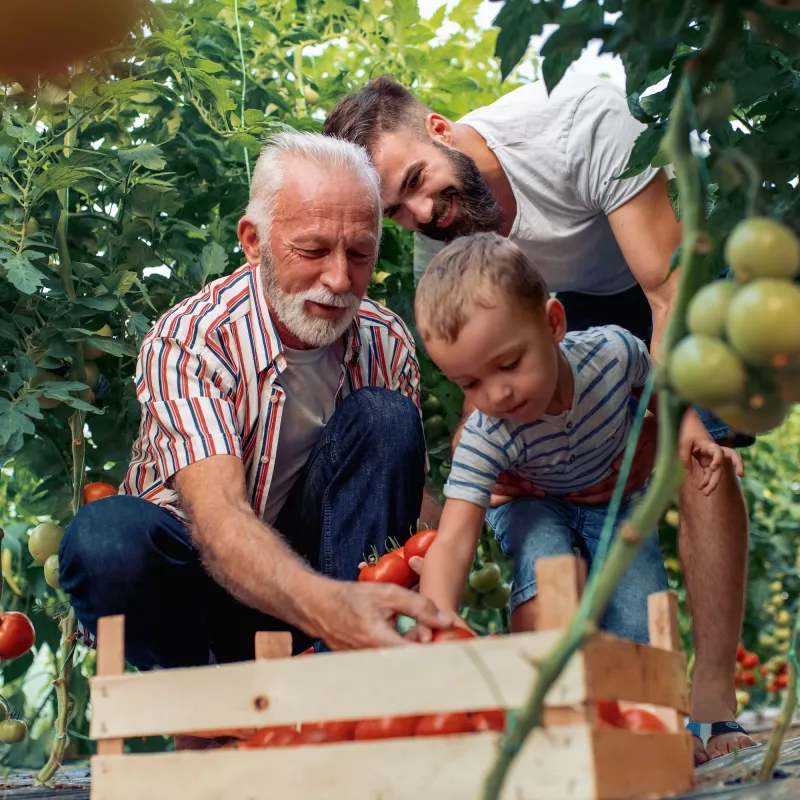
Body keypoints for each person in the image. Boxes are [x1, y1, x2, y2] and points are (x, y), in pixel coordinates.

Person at [323, 75, 754, 761]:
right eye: (396, 212)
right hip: (549, 313)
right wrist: (478, 487)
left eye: (416, 181)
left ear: (439, 128)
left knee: (702, 456)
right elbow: (480, 379)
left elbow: (666, 298)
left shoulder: (581, 124)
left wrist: (669, 431)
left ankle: (714, 703)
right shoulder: (446, 240)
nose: (422, 212)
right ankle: (597, 716)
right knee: (532, 475)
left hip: (663, 275)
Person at [58, 132, 451, 672]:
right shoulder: (193, 339)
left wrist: (445, 552)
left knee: (386, 417)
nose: (339, 279)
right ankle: (197, 695)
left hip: (322, 583)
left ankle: (346, 675)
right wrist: (332, 607)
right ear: (253, 241)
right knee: (104, 539)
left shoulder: (385, 340)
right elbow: (218, 520)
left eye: (360, 253)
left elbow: (401, 497)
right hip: (200, 590)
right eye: (312, 251)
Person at [414, 233, 739, 645]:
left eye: (509, 364)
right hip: (532, 503)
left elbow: (658, 389)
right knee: (545, 569)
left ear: (553, 323)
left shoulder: (613, 353)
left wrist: (693, 433)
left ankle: (638, 682)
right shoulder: (486, 435)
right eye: (470, 383)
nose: (496, 395)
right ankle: (540, 671)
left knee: (639, 622)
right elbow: (453, 541)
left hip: (612, 498)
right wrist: (436, 617)